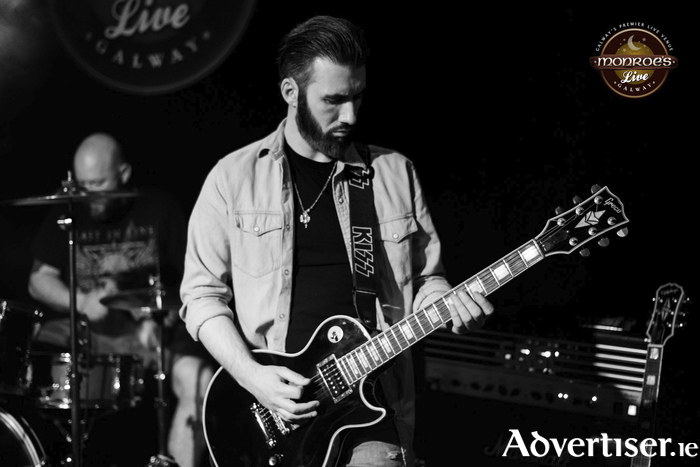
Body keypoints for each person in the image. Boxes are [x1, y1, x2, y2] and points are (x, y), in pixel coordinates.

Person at [180, 15, 495, 467]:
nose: (350, 116)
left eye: (357, 97)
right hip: (268, 409)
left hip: (373, 404)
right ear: (291, 92)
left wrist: (448, 303)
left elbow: (427, 279)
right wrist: (252, 377)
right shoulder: (233, 178)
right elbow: (201, 296)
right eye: (334, 100)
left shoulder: (393, 172)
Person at [27, 132, 214, 467]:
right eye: (82, 185)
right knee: (28, 360)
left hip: (148, 335)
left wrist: (162, 316)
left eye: (98, 184)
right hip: (88, 334)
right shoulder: (69, 209)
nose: (88, 195)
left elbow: (196, 278)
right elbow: (39, 281)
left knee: (199, 380)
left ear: (123, 173)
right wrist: (82, 302)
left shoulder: (159, 208)